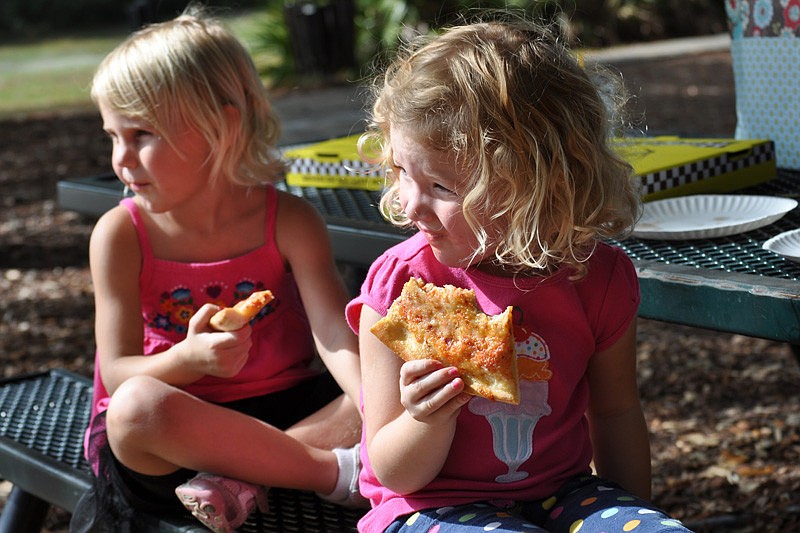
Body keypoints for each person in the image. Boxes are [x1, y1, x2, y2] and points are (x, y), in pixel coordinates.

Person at [345, 16, 693, 533]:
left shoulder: (596, 278)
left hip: (563, 492)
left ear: (533, 183)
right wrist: (425, 417)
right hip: (430, 507)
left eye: (440, 186)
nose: (409, 204)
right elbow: (395, 475)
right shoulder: (399, 286)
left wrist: (633, 516)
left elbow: (616, 413)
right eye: (400, 172)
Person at [76, 7, 364, 533]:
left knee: (381, 372)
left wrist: (373, 398)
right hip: (182, 428)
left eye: (141, 134)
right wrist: (188, 360)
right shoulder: (121, 235)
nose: (122, 158)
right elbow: (117, 374)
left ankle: (244, 481)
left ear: (222, 127)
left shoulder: (290, 221)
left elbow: (333, 333)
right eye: (112, 136)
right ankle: (325, 472)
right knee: (134, 409)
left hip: (290, 410)